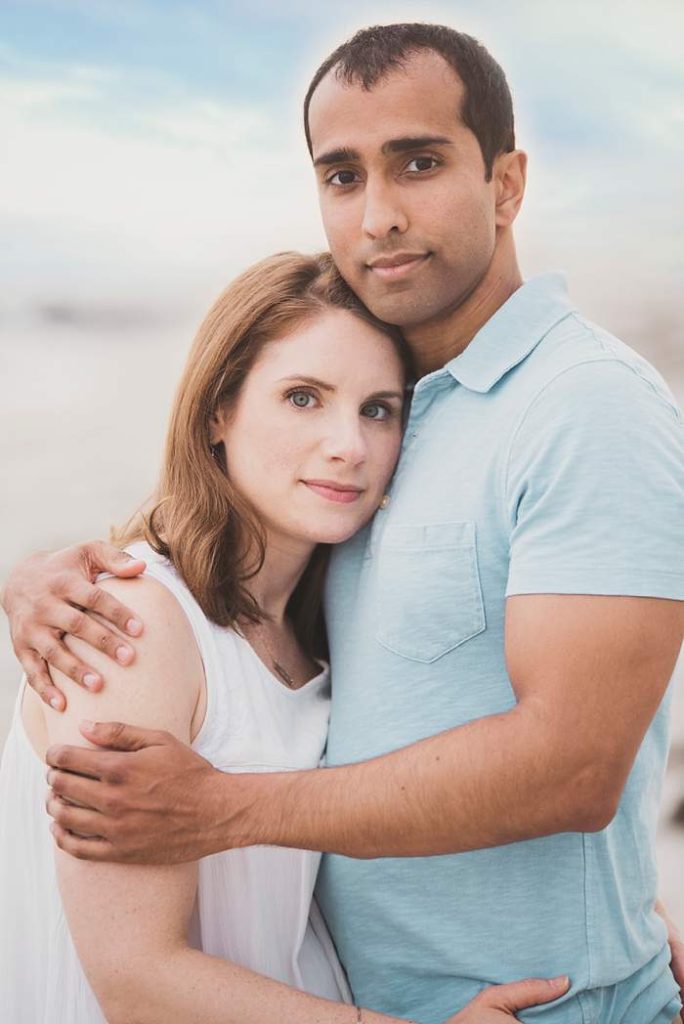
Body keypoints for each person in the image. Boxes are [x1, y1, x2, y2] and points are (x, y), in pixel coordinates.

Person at [3, 21, 684, 1024]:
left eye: (418, 163)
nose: (379, 216)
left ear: (505, 184)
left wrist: (224, 809)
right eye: (342, 175)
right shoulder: (412, 405)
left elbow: (577, 765)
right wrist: (30, 580)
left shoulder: (588, 403)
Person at [1, 250, 567, 1023]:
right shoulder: (129, 627)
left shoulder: (339, 625)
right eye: (304, 398)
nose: (350, 445)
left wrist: (628, 919)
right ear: (216, 412)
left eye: (379, 408)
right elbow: (136, 982)